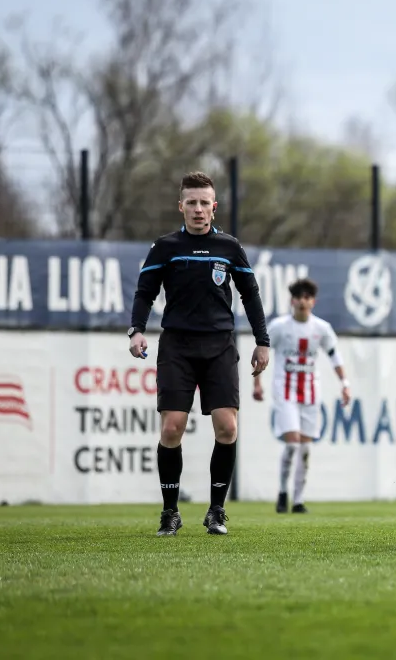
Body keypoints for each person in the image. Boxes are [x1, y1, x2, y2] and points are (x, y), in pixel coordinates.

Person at [129, 171, 270, 537]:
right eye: (190, 202)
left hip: (220, 346)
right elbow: (144, 291)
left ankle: (217, 511)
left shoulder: (229, 247)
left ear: (213, 206)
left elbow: (250, 295)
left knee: (227, 427)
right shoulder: (165, 247)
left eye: (204, 202)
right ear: (181, 206)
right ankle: (170, 512)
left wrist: (262, 340)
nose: (197, 209)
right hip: (177, 346)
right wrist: (137, 330)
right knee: (172, 427)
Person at [254, 278, 351, 514]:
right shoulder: (279, 327)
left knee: (305, 450)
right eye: (298, 297)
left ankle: (298, 500)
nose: (303, 302)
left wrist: (345, 384)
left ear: (313, 302)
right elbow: (262, 352)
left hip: (309, 394)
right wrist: (257, 383)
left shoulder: (321, 329)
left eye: (307, 297)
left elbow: (334, 356)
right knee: (292, 445)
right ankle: (282, 492)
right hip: (285, 393)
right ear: (292, 301)